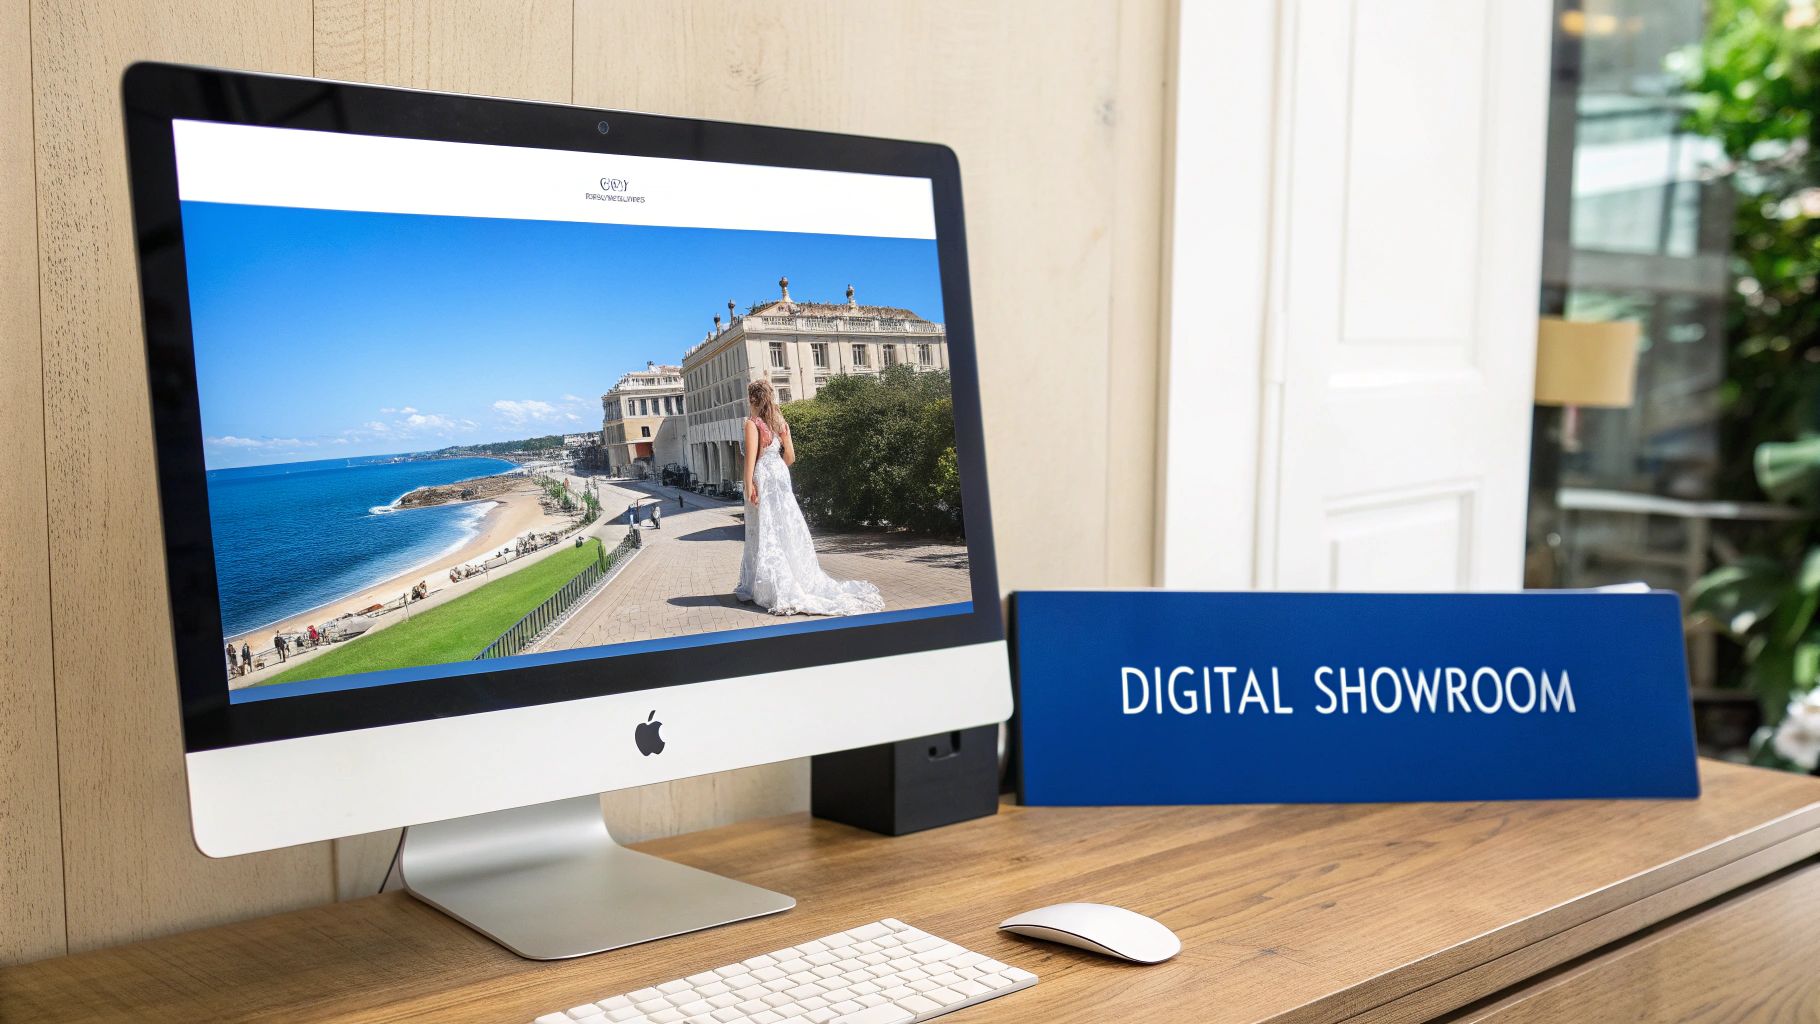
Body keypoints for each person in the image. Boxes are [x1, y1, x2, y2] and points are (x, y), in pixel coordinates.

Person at [735, 379, 883, 616]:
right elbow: (791, 457)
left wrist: (749, 485)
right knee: (786, 526)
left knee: (765, 529)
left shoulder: (752, 423)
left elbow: (750, 460)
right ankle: (800, 577)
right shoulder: (780, 422)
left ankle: (765, 586)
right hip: (781, 477)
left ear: (752, 399)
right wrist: (776, 470)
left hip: (764, 476)